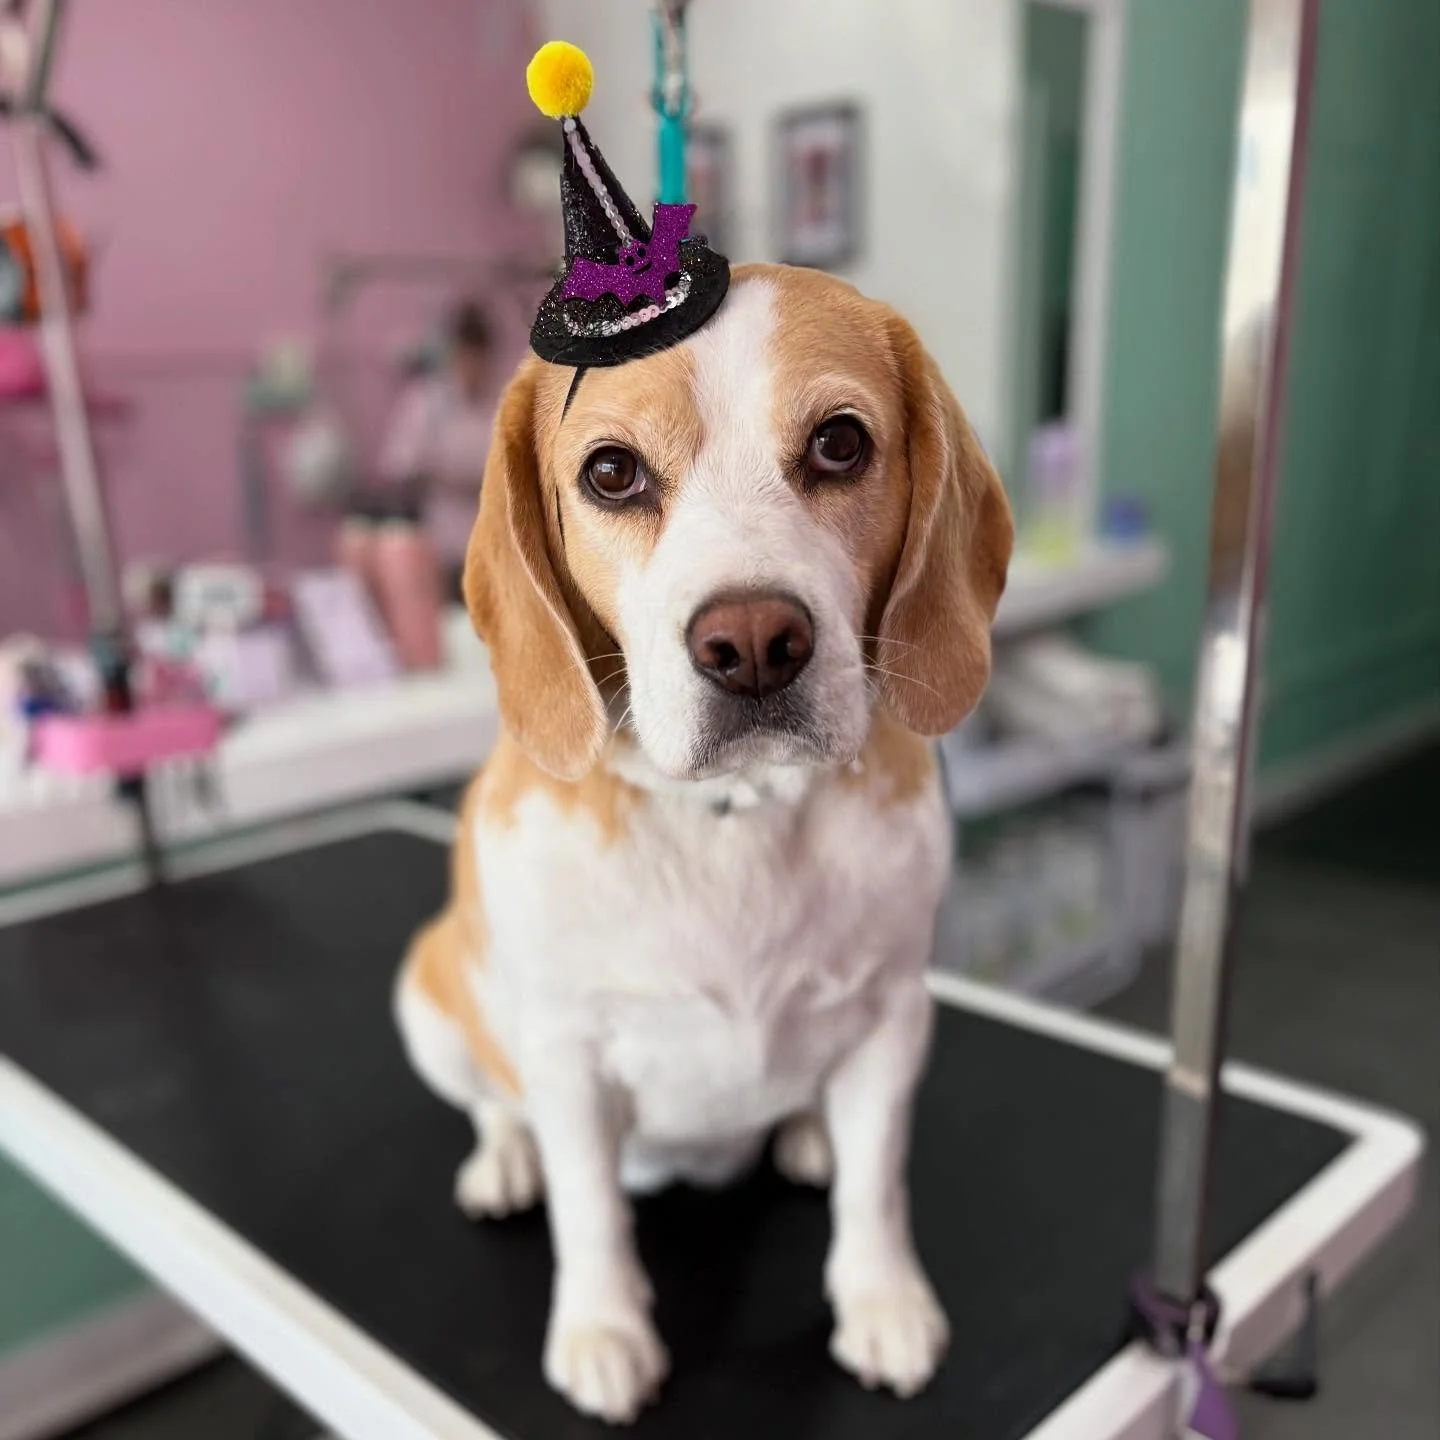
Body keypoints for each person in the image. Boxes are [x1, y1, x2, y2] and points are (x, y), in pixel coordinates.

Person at [377, 300, 497, 596]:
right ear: (453, 354)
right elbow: (399, 467)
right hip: (438, 546)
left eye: (479, 359)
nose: (473, 368)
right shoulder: (427, 402)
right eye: (466, 357)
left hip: (492, 546)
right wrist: (446, 477)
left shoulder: (501, 402)